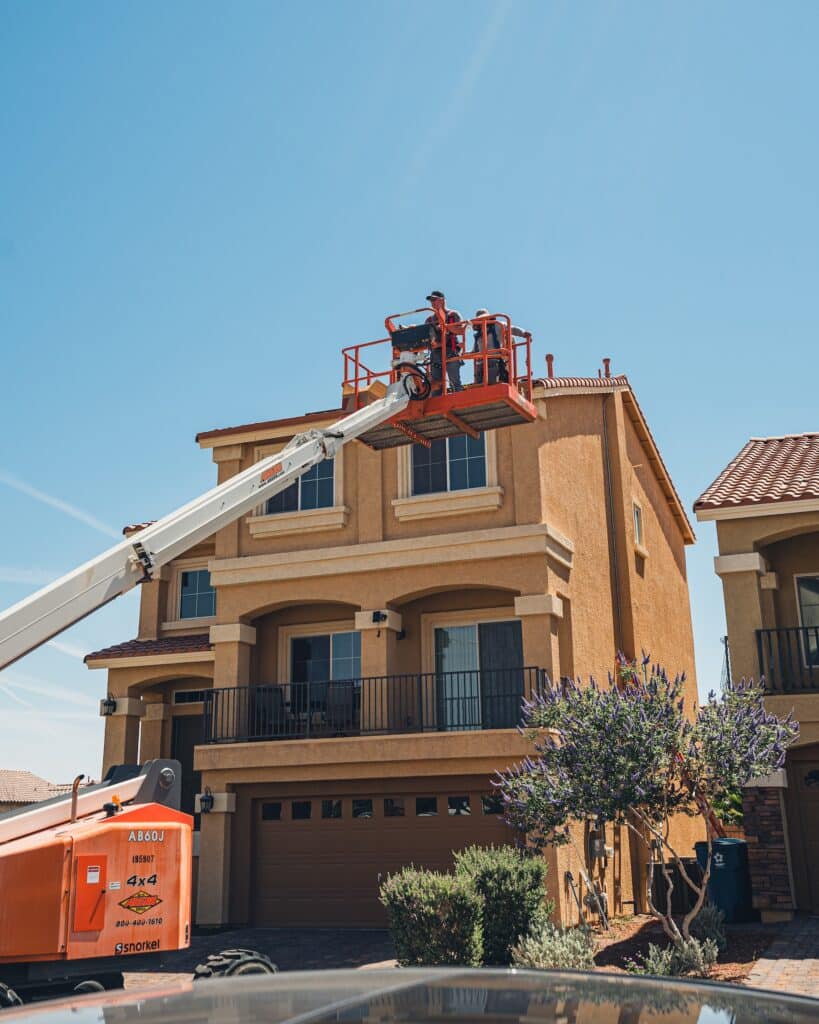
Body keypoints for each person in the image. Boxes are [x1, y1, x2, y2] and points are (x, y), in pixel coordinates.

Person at [471, 309, 528, 385]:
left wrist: (523, 333)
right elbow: (475, 349)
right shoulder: (479, 333)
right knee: (479, 383)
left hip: (494, 358)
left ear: (489, 318)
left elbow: (512, 329)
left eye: (485, 318)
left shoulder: (498, 325)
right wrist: (465, 354)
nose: (483, 320)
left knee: (490, 382)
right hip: (481, 361)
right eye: (480, 319)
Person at [425, 290, 463, 394]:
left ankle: (458, 400)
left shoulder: (452, 315)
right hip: (435, 354)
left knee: (454, 381)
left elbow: (461, 331)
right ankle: (437, 407)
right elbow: (425, 337)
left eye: (434, 300)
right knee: (436, 384)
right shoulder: (429, 320)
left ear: (442, 300)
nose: (432, 303)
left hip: (451, 352)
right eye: (431, 301)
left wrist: (446, 326)